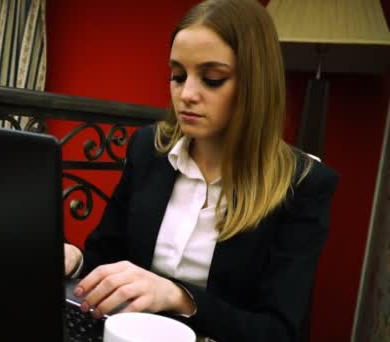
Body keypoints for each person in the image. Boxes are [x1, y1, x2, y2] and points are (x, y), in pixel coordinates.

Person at [63, 0, 338, 341]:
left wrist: (180, 298)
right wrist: (75, 261)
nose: (186, 94)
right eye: (177, 76)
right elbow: (105, 260)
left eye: (212, 79)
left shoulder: (303, 184)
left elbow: (275, 331)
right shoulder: (149, 150)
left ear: (255, 85)